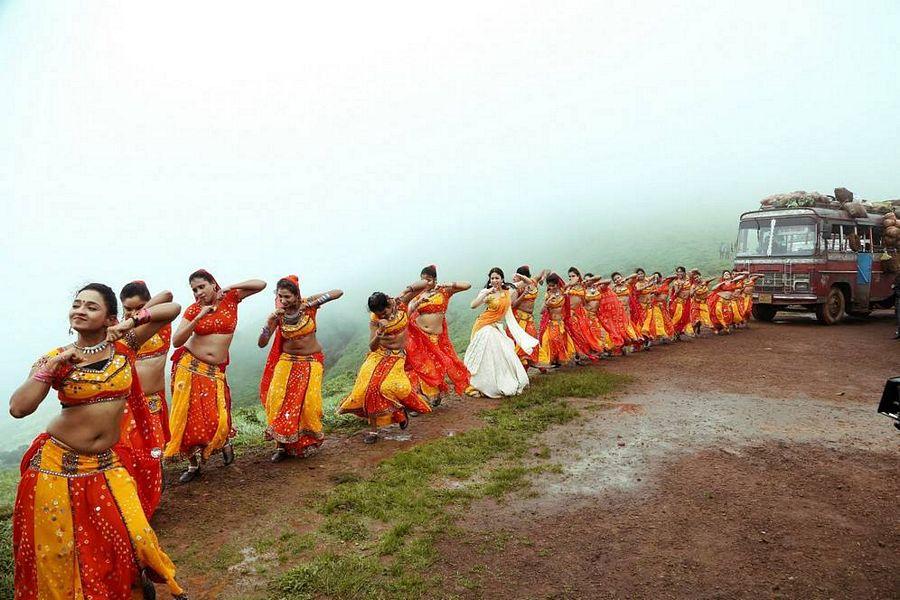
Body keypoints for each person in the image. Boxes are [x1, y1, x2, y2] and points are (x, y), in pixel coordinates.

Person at [9, 283, 185, 599]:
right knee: (63, 549)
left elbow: (172, 309)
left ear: (108, 318)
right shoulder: (55, 358)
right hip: (56, 467)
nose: (80, 310)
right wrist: (51, 369)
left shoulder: (125, 346)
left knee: (134, 533)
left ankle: (131, 582)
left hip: (106, 464)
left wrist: (131, 322)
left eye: (91, 307)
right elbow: (18, 407)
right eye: (77, 304)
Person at [165, 270, 266, 482]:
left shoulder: (231, 299)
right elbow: (177, 340)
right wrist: (199, 317)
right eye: (194, 289)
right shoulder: (193, 310)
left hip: (214, 372)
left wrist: (230, 287)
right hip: (189, 367)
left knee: (216, 417)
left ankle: (223, 442)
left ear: (213, 284)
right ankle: (193, 465)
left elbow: (261, 284)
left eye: (202, 287)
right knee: (187, 420)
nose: (198, 292)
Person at [258, 275, 343, 462]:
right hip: (287, 362)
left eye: (287, 297)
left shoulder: (309, 306)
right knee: (278, 402)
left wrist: (311, 303)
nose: (283, 301)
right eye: (280, 297)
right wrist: (268, 322)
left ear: (297, 296)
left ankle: (306, 441)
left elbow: (338, 293)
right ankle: (281, 446)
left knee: (309, 404)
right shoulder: (278, 316)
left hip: (311, 362)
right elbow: (262, 343)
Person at [338, 284, 433, 444]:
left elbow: (424, 285)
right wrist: (379, 333)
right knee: (370, 389)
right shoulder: (375, 320)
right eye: (377, 314)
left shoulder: (401, 303)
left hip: (397, 357)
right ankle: (373, 430)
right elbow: (372, 346)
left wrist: (408, 289)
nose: (381, 315)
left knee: (397, 387)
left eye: (383, 312)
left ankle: (399, 412)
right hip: (378, 355)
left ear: (389, 304)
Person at [118, 280, 174, 517]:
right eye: (127, 309)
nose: (132, 312)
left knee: (152, 451)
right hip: (127, 403)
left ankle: (152, 492)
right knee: (130, 453)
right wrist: (126, 323)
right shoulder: (120, 332)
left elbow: (168, 295)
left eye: (138, 306)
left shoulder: (157, 324)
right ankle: (135, 500)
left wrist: (136, 317)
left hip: (152, 400)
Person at [464, 267, 538, 397]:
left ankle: (497, 381)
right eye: (492, 278)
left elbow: (529, 283)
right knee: (485, 356)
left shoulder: (508, 290)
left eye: (497, 278)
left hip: (495, 326)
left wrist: (520, 275)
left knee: (502, 354)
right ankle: (481, 384)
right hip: (483, 326)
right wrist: (485, 294)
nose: (494, 280)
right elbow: (473, 305)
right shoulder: (486, 292)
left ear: (502, 279)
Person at [405, 265, 473, 404]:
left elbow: (467, 285)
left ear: (435, 280)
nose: (426, 283)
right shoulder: (418, 295)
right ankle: (420, 397)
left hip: (435, 337)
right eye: (423, 280)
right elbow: (407, 313)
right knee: (419, 366)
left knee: (438, 364)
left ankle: (433, 393)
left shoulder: (444, 292)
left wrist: (449, 284)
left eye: (429, 280)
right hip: (418, 336)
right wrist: (417, 303)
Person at [510, 266, 548, 369]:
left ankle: (538, 364)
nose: (515, 279)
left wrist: (543, 278)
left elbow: (545, 270)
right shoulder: (517, 289)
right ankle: (524, 370)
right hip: (519, 319)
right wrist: (523, 295)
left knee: (533, 340)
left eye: (517, 277)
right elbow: (513, 305)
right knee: (520, 344)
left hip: (529, 318)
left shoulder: (533, 282)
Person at [564, 267, 605, 360]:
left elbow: (598, 277)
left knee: (585, 334)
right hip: (570, 314)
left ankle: (586, 352)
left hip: (580, 313)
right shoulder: (568, 286)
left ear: (578, 276)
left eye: (573, 276)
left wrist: (587, 279)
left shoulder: (583, 285)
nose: (571, 278)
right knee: (574, 334)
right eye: (569, 276)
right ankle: (577, 356)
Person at [538, 273, 576, 366]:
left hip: (561, 322)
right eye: (549, 285)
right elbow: (541, 311)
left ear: (557, 284)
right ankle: (552, 360)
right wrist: (547, 302)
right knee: (550, 340)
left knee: (560, 341)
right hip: (551, 323)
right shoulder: (548, 294)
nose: (551, 287)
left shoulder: (563, 292)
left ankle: (559, 360)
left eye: (553, 285)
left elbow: (574, 281)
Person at [668, 267, 694, 339]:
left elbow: (695, 270)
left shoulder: (688, 280)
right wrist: (680, 286)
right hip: (679, 302)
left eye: (681, 272)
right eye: (678, 272)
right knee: (677, 317)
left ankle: (679, 332)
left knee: (685, 317)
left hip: (687, 301)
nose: (679, 273)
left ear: (684, 272)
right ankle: (672, 331)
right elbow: (676, 292)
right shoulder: (676, 282)